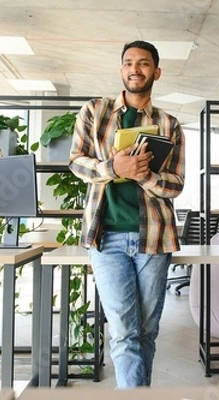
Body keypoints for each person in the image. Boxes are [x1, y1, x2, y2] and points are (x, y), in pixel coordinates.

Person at [68, 40, 185, 389]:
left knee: (146, 332)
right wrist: (112, 166)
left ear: (156, 72)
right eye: (129, 63)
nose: (136, 69)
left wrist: (144, 175)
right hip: (107, 237)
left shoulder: (169, 124)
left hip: (154, 236)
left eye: (144, 63)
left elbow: (175, 185)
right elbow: (76, 161)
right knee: (123, 332)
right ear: (122, 71)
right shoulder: (95, 111)